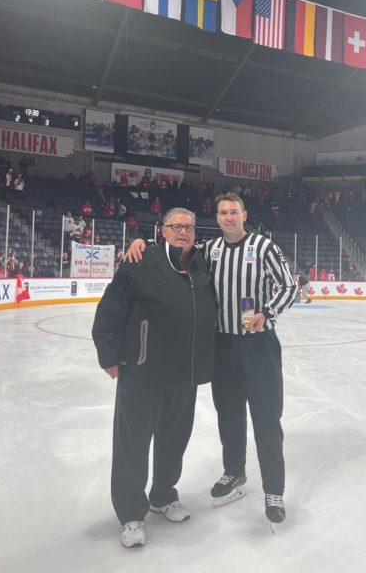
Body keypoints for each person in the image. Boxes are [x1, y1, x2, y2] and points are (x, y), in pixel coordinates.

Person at [124, 193, 297, 529]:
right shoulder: (211, 250)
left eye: (234, 212)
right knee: (229, 415)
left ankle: (274, 491)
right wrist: (142, 240)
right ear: (216, 218)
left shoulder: (264, 247)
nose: (229, 218)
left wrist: (267, 313)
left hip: (258, 346)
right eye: (222, 213)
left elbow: (290, 288)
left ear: (244, 215)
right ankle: (234, 473)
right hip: (222, 347)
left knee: (266, 419)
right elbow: (178, 247)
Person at [92, 208, 218, 549]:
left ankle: (163, 495)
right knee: (132, 443)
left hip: (184, 374)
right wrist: (107, 350)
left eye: (189, 227)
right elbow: (111, 307)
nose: (183, 232)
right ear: (163, 231)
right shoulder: (141, 259)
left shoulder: (204, 263)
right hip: (142, 372)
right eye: (176, 226)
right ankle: (131, 514)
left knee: (174, 441)